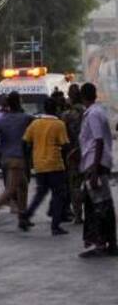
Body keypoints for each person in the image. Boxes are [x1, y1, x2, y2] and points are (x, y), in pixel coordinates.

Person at [0, 91, 33, 230]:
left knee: (23, 185)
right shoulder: (25, 118)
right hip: (18, 159)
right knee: (10, 189)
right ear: (19, 103)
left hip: (6, 157)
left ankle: (23, 217)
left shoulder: (1, 119)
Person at [77, 83, 117, 258]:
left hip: (96, 164)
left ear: (82, 96)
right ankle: (108, 243)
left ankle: (102, 244)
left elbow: (98, 141)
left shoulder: (93, 114)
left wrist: (93, 171)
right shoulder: (97, 112)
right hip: (96, 163)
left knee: (99, 206)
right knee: (101, 204)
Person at [20, 98, 70, 236]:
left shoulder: (35, 123)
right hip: (55, 164)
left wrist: (28, 158)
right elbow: (65, 145)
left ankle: (26, 215)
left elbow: (24, 141)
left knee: (40, 193)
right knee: (59, 194)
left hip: (40, 165)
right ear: (56, 109)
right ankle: (55, 225)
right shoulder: (59, 124)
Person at [60, 84, 85, 224]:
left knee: (75, 184)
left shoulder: (67, 115)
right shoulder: (87, 111)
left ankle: (78, 215)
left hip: (73, 153)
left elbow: (62, 132)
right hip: (87, 151)